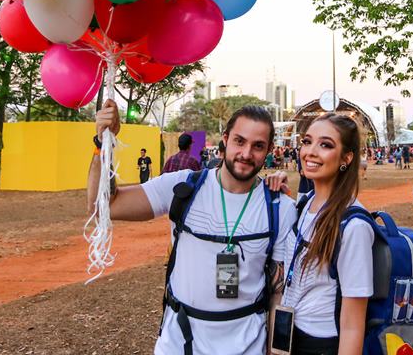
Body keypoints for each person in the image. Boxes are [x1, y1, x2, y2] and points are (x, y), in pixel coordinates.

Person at [88, 100, 296, 355]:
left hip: (247, 347)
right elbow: (105, 206)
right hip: (179, 344)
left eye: (258, 146)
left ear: (269, 150)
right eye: (239, 141)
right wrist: (103, 144)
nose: (246, 153)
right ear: (225, 139)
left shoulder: (280, 207)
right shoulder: (184, 187)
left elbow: (278, 297)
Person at [280, 113, 373, 354]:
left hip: (322, 344)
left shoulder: (353, 225)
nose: (310, 151)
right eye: (307, 141)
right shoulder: (304, 204)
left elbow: (353, 323)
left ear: (346, 158)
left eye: (326, 145)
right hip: (292, 336)